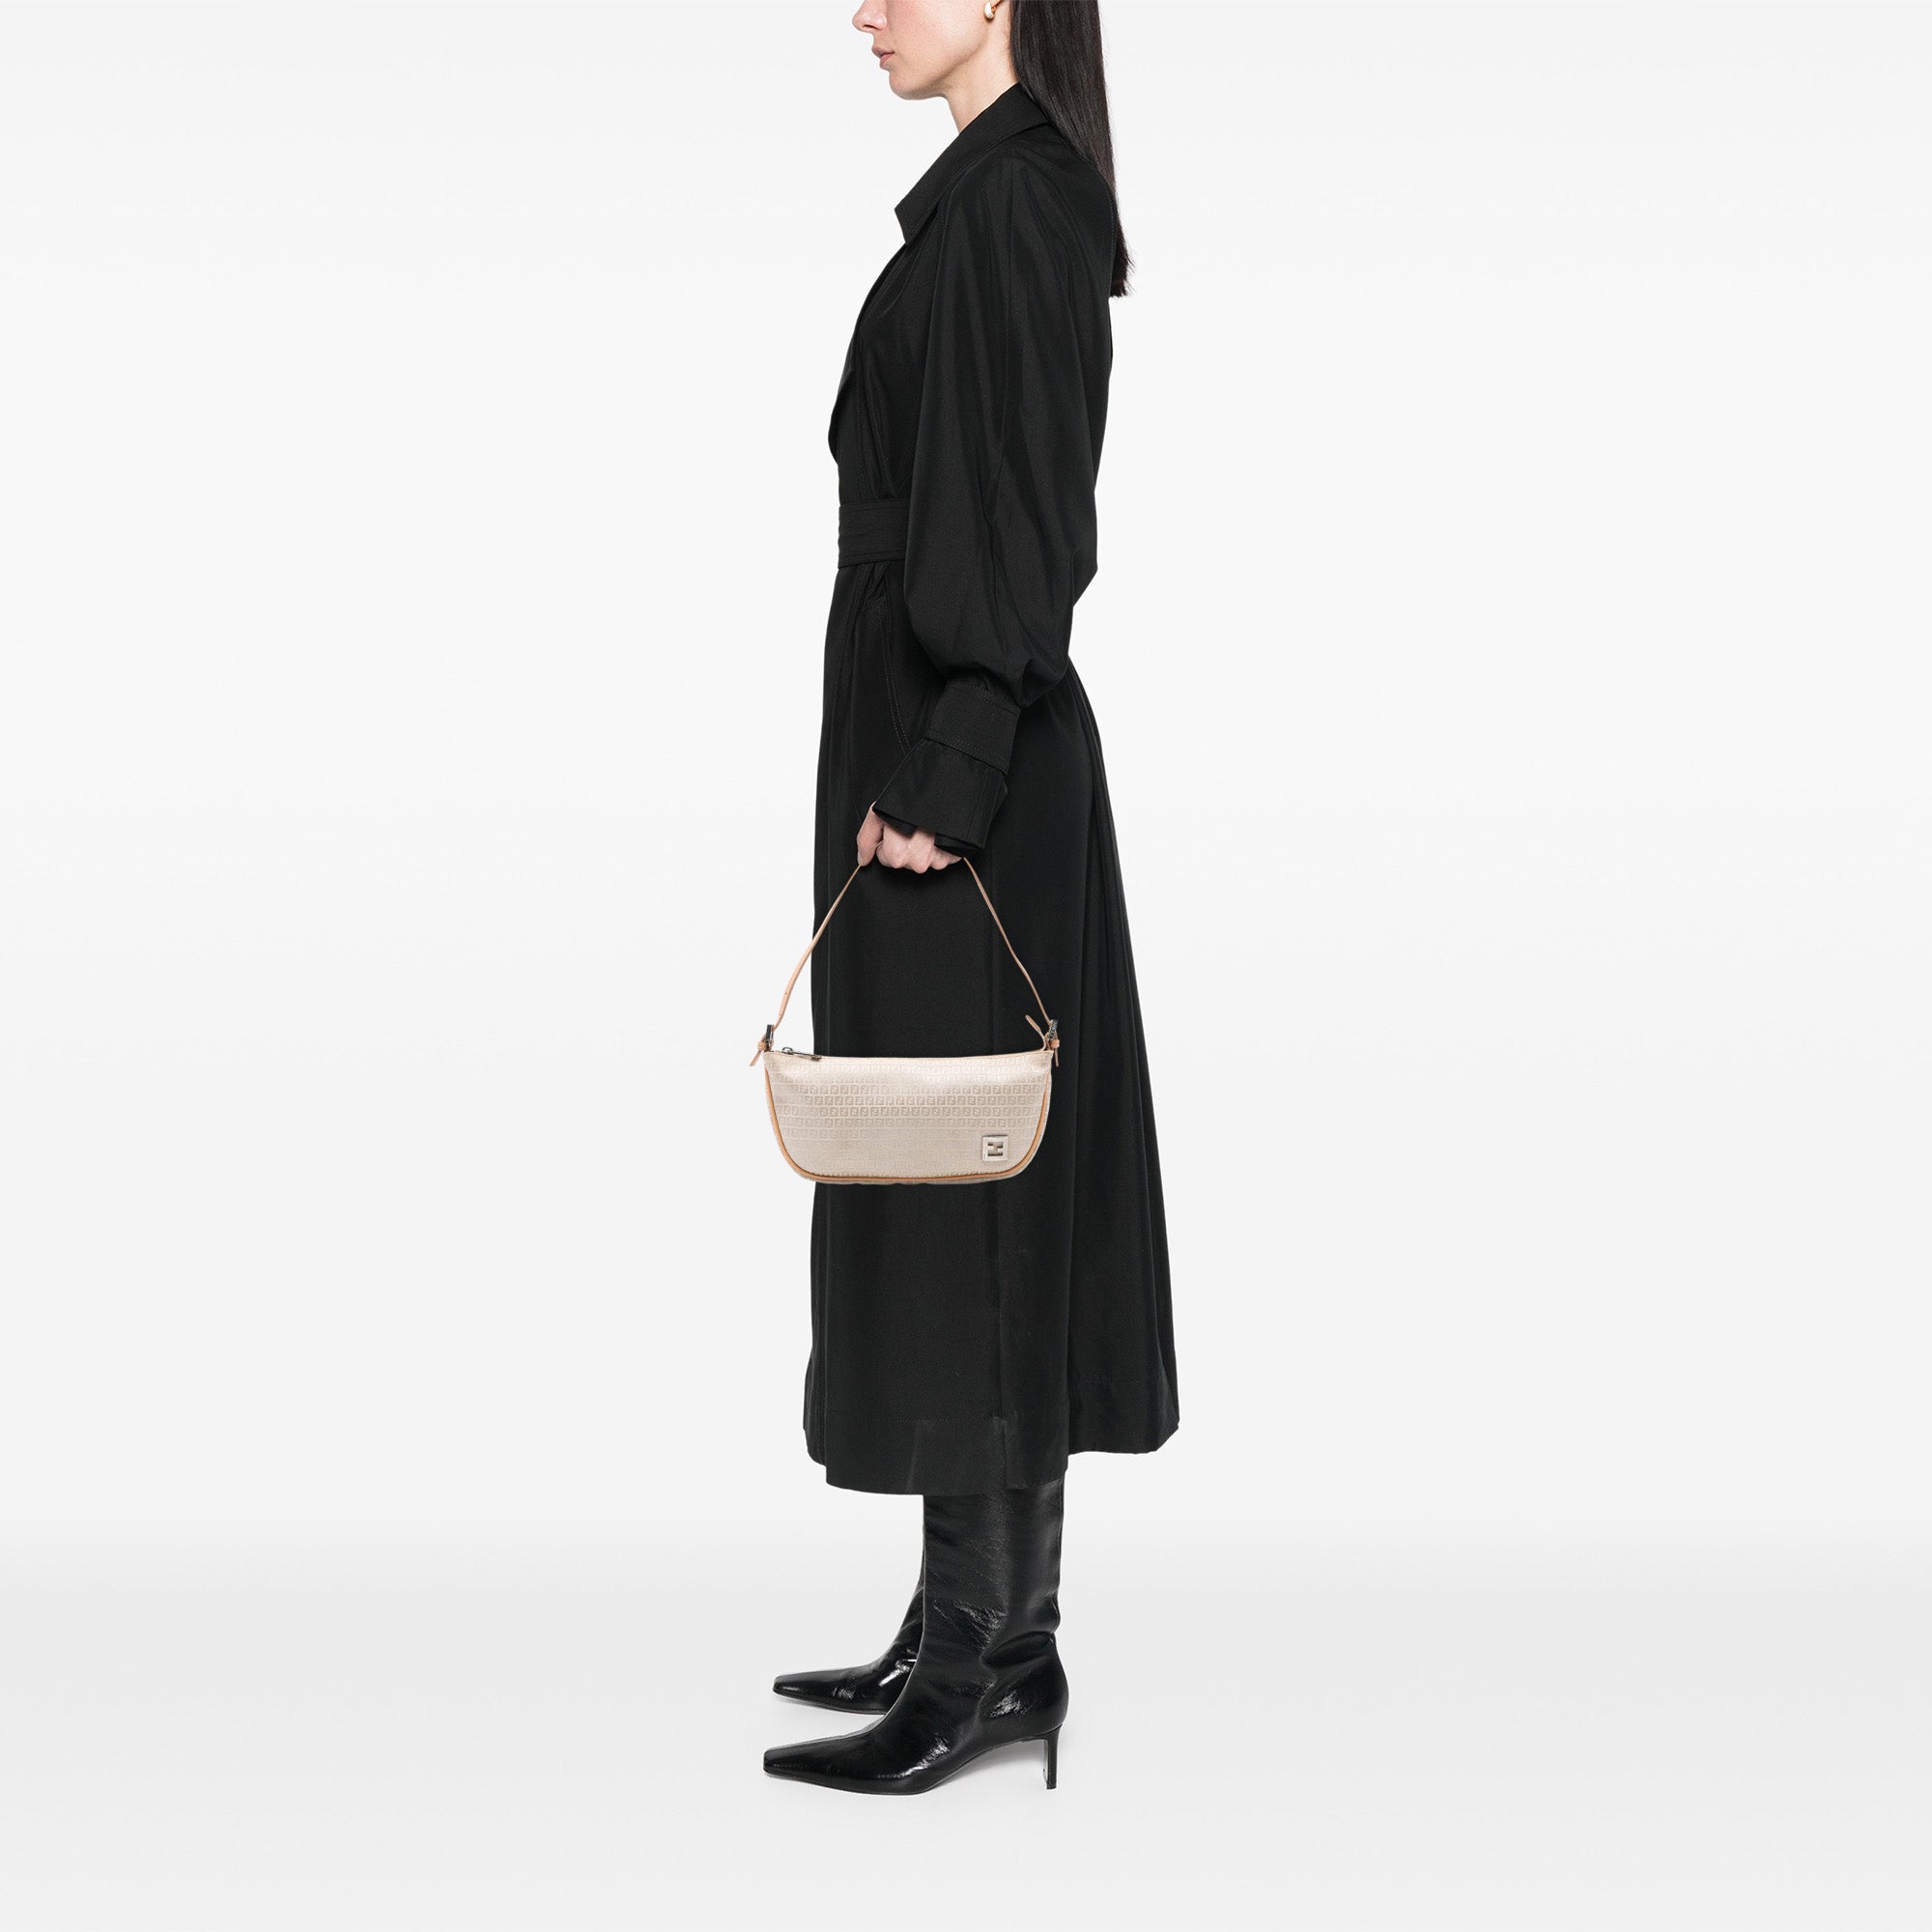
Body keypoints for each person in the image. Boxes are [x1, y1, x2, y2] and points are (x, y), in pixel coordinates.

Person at [762, 0, 1179, 1797]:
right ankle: (988, 1630)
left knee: (973, 1191)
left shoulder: (1014, 206)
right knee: (956, 1175)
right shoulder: (998, 196)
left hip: (965, 772)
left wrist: (952, 764)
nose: (863, 10)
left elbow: (1028, 521)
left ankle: (987, 1654)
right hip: (940, 743)